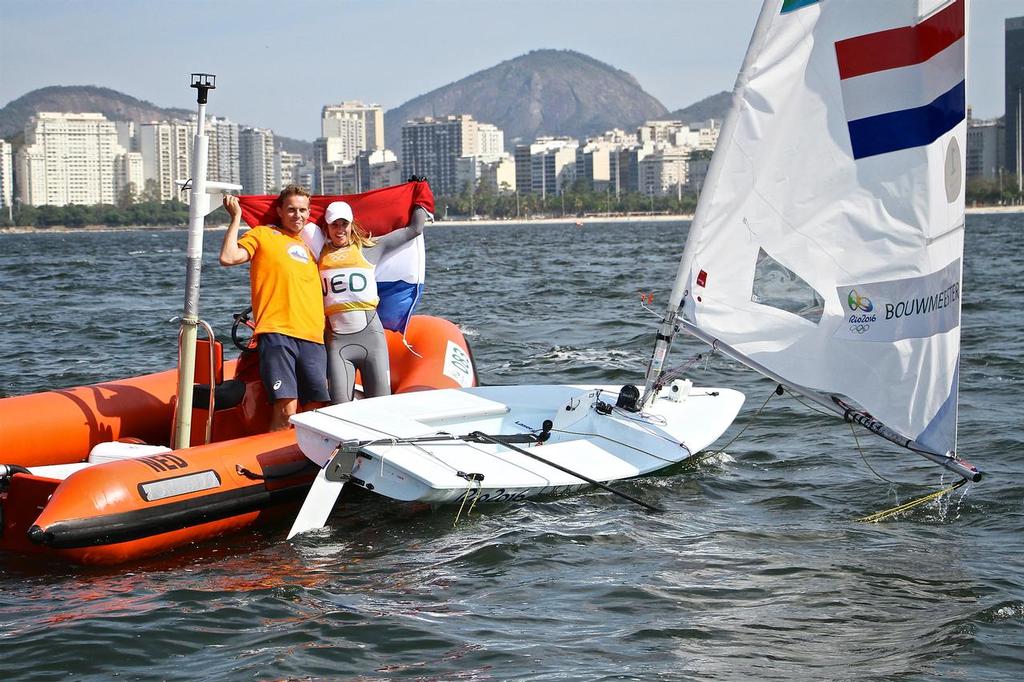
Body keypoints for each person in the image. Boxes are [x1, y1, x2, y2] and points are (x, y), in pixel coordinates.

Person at [219, 186, 330, 430]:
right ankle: (271, 460)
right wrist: (236, 217)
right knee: (286, 408)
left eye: (302, 210)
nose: (297, 215)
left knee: (315, 408)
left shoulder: (313, 247)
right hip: (277, 333)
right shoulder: (263, 235)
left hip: (312, 336)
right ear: (279, 211)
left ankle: (303, 462)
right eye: (291, 210)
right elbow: (228, 257)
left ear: (309, 213)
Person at [306, 200, 429, 404]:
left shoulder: (370, 248)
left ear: (351, 224)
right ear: (326, 227)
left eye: (344, 224)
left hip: (372, 340)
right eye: (334, 224)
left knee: (381, 406)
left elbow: (414, 229)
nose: (339, 230)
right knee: (339, 409)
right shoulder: (319, 253)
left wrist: (419, 199)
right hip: (338, 344)